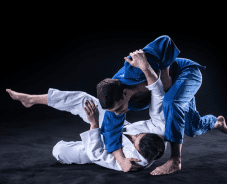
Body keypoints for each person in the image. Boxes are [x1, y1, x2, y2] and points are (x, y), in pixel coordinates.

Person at [5, 51, 227, 173]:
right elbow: (159, 99)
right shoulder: (159, 130)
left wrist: (93, 125)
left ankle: (213, 123)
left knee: (60, 150)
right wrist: (150, 70)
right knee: (86, 100)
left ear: (140, 154)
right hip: (114, 131)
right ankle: (31, 100)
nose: (132, 134)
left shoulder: (133, 161)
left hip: (98, 147)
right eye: (137, 134)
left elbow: (98, 155)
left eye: (134, 138)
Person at [97, 35, 226, 175]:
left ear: (125, 93)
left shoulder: (134, 68)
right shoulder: (114, 99)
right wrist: (122, 161)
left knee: (170, 102)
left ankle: (175, 160)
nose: (117, 113)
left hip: (186, 74)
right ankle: (218, 123)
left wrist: (165, 73)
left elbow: (164, 41)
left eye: (118, 109)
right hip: (173, 91)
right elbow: (110, 132)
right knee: (191, 128)